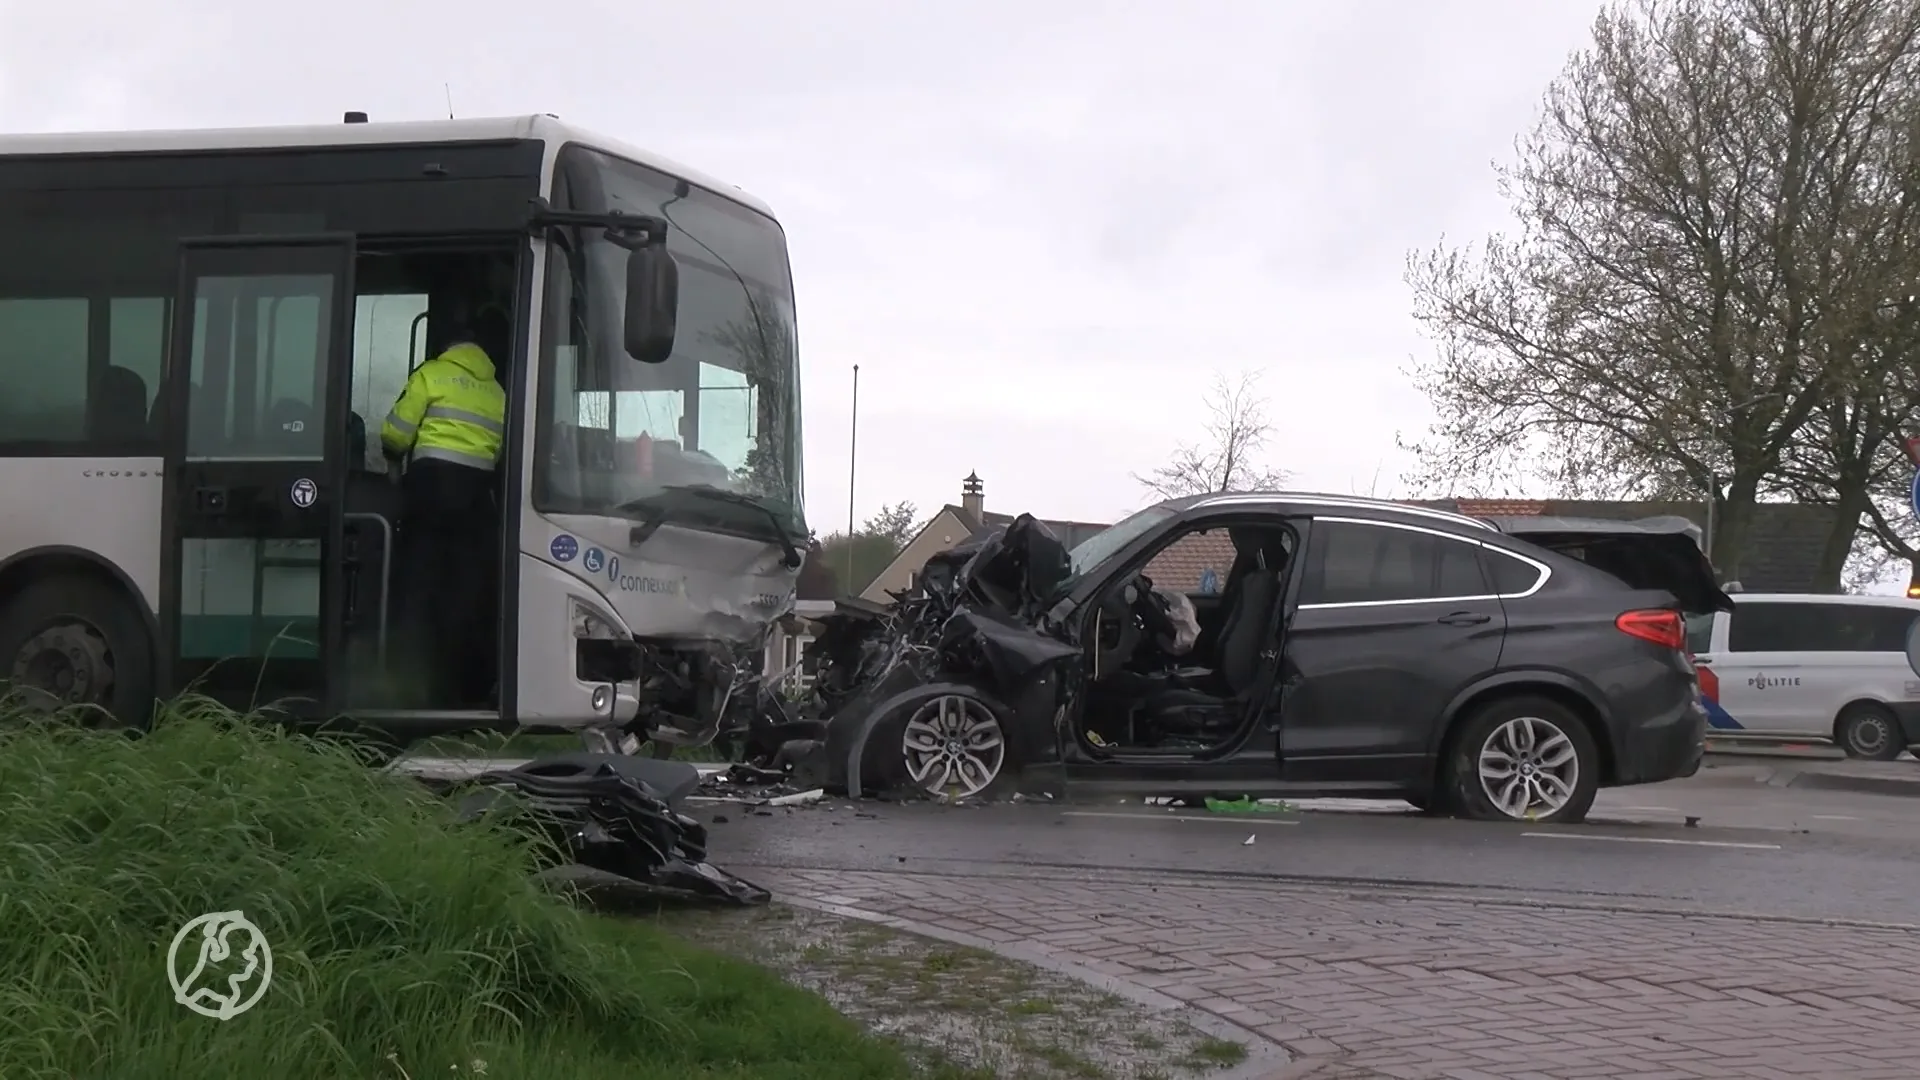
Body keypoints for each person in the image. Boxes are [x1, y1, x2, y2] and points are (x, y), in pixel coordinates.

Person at [381, 322, 507, 706]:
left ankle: (408, 680)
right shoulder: (497, 391)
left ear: (447, 347)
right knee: (465, 589)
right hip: (478, 497)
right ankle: (462, 686)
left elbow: (395, 434)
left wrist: (393, 460)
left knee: (417, 583)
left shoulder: (431, 374)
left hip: (431, 490)